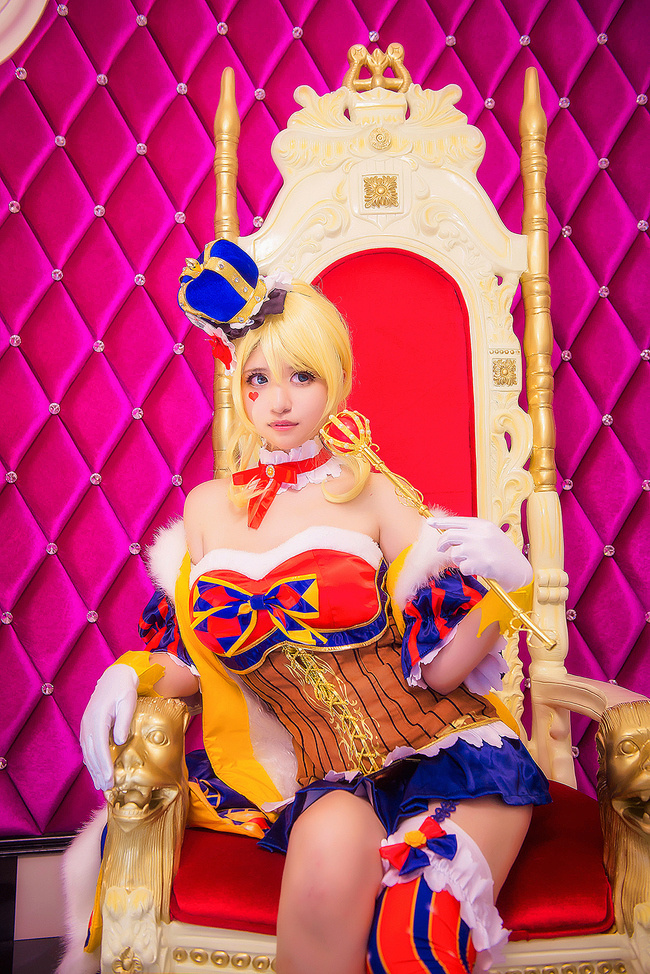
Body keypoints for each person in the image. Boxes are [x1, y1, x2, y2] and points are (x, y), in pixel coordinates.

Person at [80, 240, 550, 974]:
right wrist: (130, 673)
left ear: (336, 382)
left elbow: (441, 672)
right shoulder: (206, 510)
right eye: (259, 378)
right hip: (325, 775)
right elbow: (195, 662)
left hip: (456, 757)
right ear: (238, 384)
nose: (279, 400)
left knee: (413, 939)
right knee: (321, 923)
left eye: (301, 376)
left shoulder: (373, 493)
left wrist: (510, 584)